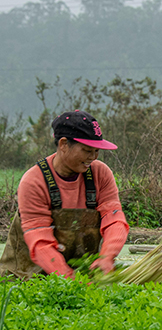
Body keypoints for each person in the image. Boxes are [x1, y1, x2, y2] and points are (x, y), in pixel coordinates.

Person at [0, 110, 128, 280]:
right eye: (87, 150)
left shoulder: (100, 174)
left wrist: (106, 257)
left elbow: (114, 220)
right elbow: (40, 243)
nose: (93, 157)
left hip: (79, 275)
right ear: (63, 144)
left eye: (96, 151)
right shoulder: (34, 181)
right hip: (25, 277)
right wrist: (68, 279)